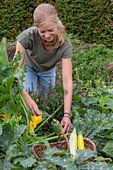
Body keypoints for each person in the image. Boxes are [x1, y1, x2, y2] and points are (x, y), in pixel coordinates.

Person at [13, 3, 73, 133]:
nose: (47, 35)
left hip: (48, 70)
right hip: (28, 68)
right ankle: (28, 132)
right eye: (42, 32)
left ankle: (41, 130)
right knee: (30, 99)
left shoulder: (65, 45)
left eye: (51, 30)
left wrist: (66, 114)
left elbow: (67, 82)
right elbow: (13, 74)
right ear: (36, 27)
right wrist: (27, 97)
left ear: (57, 23)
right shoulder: (26, 37)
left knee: (45, 103)